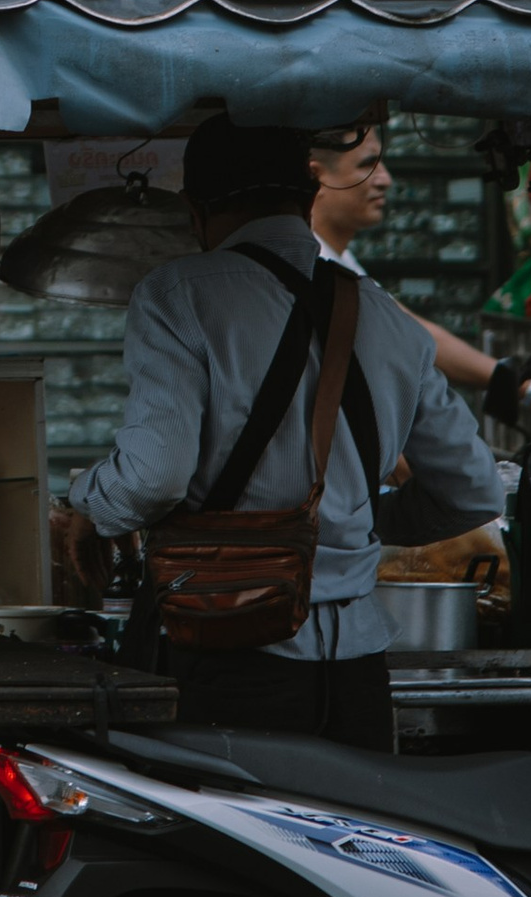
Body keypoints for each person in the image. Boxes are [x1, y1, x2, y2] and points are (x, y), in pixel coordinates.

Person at [63, 113, 503, 751]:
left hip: (227, 651)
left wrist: (87, 503)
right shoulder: (385, 315)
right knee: (350, 847)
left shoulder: (179, 293)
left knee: (227, 850)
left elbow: (154, 479)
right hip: (357, 674)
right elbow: (472, 490)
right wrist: (356, 523)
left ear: (195, 209)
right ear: (308, 196)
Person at [310, 120, 531, 426]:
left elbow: (411, 330)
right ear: (317, 177)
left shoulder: (338, 258)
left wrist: (522, 385)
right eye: (367, 165)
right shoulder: (317, 267)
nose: (385, 180)